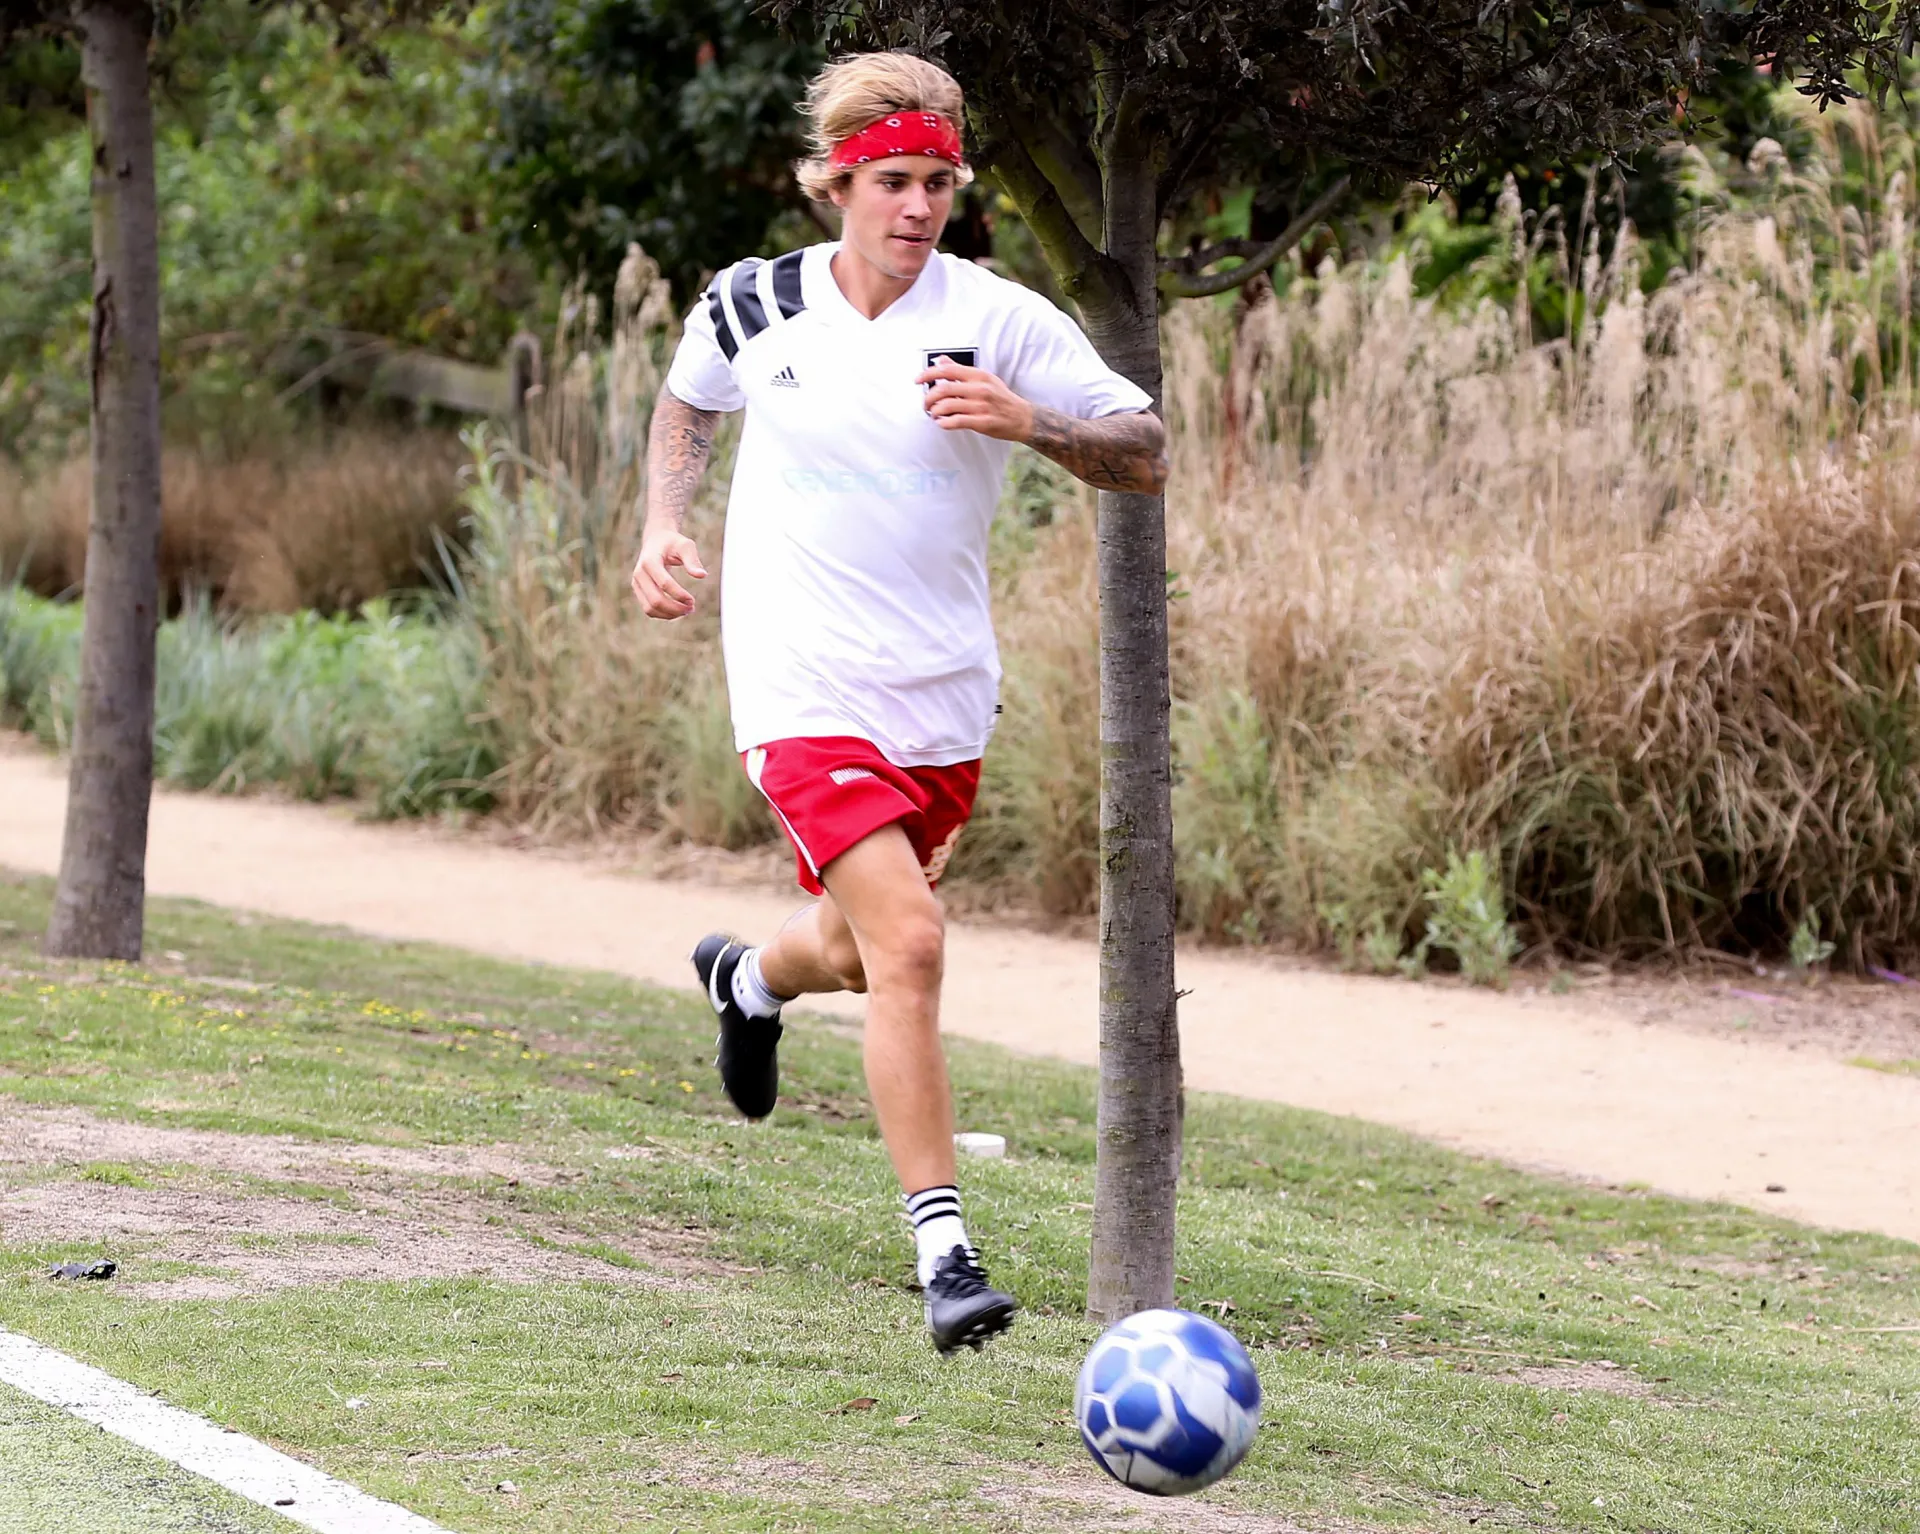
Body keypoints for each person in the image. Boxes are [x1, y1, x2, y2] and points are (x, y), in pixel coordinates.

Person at [630, 50, 1168, 1354]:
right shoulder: (754, 302)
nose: (918, 206)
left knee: (864, 949)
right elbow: (688, 404)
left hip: (943, 697)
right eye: (892, 182)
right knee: (915, 945)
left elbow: (1146, 453)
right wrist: (661, 524)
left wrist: (1029, 422)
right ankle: (946, 1256)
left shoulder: (1000, 319)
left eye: (937, 180)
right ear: (835, 184)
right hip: (799, 681)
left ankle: (751, 981)